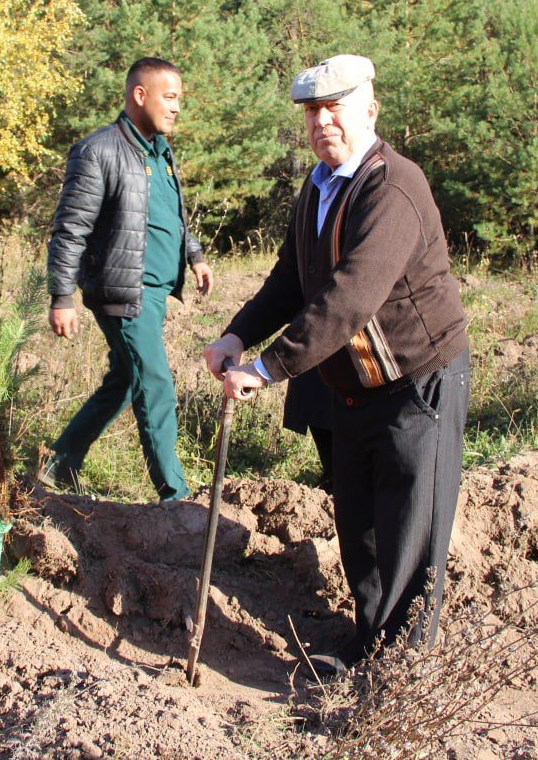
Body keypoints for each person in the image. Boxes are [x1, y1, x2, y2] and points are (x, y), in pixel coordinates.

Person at [203, 55, 470, 676]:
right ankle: (369, 642)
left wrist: (270, 367)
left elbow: (350, 295)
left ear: (369, 111)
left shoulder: (393, 185)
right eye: (312, 113)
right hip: (353, 388)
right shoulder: (320, 186)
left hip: (416, 381)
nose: (323, 122)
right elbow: (293, 278)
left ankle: (402, 672)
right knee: (360, 525)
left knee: (409, 528)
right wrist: (237, 335)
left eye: (335, 109)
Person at [45, 57, 214, 502]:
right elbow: (71, 227)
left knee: (124, 380)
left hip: (155, 291)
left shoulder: (159, 151)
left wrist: (193, 255)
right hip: (123, 291)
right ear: (140, 95)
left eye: (179, 98)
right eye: (170, 97)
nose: (177, 107)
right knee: (155, 381)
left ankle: (58, 464)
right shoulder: (99, 150)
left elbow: (166, 215)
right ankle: (175, 495)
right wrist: (62, 295)